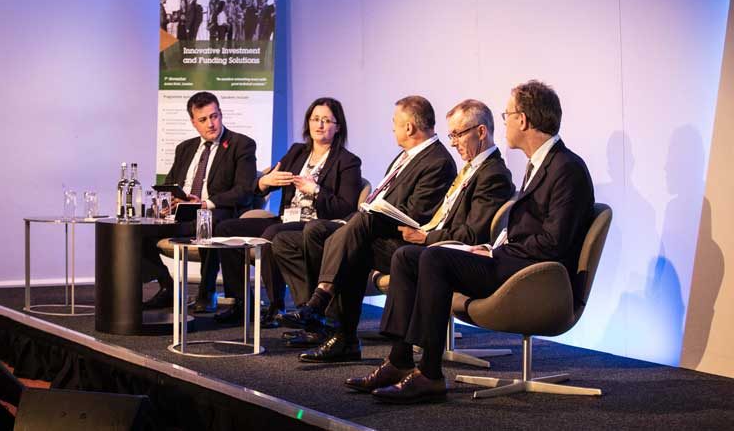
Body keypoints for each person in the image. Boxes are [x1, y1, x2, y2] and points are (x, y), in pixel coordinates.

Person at [350, 80, 595, 404]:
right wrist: (492, 248)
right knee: (408, 256)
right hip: (511, 260)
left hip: (535, 275)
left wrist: (498, 250)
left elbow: (555, 242)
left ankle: (430, 374)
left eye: (507, 115)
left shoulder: (566, 168)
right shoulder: (541, 164)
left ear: (523, 120)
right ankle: (399, 360)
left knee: (434, 258)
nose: (504, 123)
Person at [272, 96, 457, 358]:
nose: (392, 128)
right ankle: (322, 319)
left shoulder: (437, 161)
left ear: (409, 127)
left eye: (395, 122)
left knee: (357, 236)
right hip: (376, 232)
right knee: (313, 231)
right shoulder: (406, 156)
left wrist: (370, 214)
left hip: (405, 244)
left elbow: (414, 214)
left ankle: (327, 314)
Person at [213, 98, 363, 324]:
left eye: (326, 120)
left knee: (272, 234)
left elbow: (346, 208)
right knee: (226, 229)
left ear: (338, 127)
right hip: (286, 218)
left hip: (315, 224)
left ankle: (276, 305)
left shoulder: (347, 161)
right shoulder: (297, 152)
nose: (319, 125)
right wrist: (265, 181)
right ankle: (241, 303)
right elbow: (263, 184)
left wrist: (316, 191)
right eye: (315, 119)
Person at [143, 91, 257, 311]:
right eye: (203, 119)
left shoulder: (241, 144)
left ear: (220, 114)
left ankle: (207, 291)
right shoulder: (185, 148)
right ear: (193, 122)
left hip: (218, 211)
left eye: (214, 116)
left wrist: (204, 203)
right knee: (139, 228)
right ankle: (167, 286)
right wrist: (169, 200)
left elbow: (244, 191)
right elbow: (170, 183)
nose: (210, 124)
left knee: (208, 222)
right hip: (183, 212)